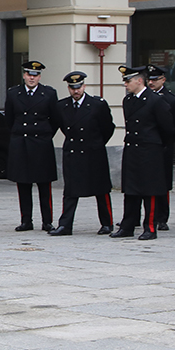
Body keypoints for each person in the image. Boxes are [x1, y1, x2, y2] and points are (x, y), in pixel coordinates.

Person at [111, 65, 174, 240]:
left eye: (128, 81)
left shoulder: (155, 100)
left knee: (149, 191)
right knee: (131, 190)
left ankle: (150, 227)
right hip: (133, 149)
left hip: (150, 151)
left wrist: (157, 146)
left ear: (140, 80)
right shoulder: (128, 101)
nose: (126, 84)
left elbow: (168, 129)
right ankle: (128, 226)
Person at [50, 71, 115, 236]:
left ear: (84, 86)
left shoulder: (97, 104)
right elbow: (59, 127)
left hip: (93, 152)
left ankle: (107, 223)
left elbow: (108, 128)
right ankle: (65, 225)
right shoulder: (62, 106)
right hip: (73, 152)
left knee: (101, 190)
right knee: (70, 191)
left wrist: (96, 143)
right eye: (72, 88)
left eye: (78, 87)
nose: (76, 91)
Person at [4, 61, 59, 232]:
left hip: (41, 143)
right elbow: (9, 119)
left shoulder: (49, 93)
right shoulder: (14, 93)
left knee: (44, 185)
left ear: (39, 77)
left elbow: (55, 119)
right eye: (29, 74)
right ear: (24, 75)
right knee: (23, 184)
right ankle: (26, 220)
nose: (32, 78)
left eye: (35, 75)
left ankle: (47, 221)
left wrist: (45, 134)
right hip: (21, 143)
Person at [146, 65, 175, 230]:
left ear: (163, 80)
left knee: (162, 183)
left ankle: (161, 217)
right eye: (149, 79)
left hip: (163, 147)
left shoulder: (172, 100)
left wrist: (166, 142)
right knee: (143, 182)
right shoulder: (143, 97)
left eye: (155, 79)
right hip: (146, 147)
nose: (151, 82)